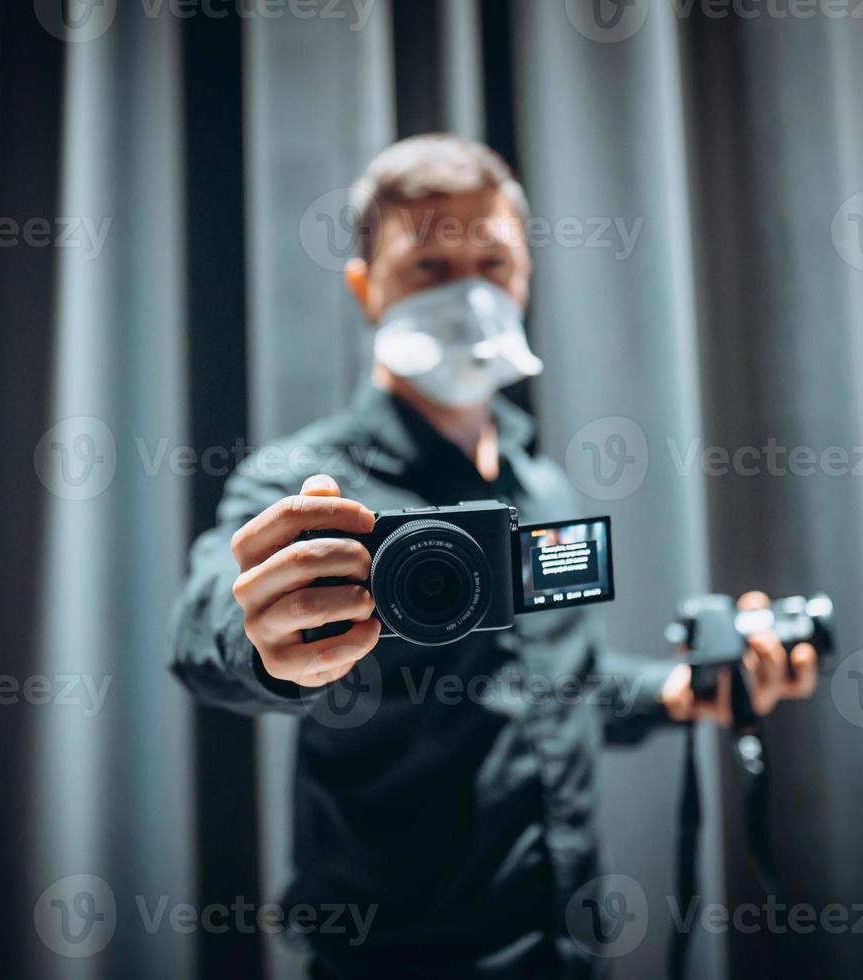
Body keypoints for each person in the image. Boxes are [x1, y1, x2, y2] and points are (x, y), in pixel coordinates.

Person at [170, 134, 818, 978]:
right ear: (367, 289)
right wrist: (257, 628)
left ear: (525, 277)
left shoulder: (541, 488)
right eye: (431, 268)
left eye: (492, 263)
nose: (469, 293)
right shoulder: (307, 484)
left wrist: (688, 687)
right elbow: (208, 624)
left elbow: (558, 684)